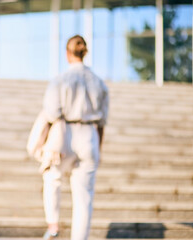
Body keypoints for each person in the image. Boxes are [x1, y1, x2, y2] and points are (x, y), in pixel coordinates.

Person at [41, 35, 109, 240]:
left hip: (65, 132)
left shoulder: (60, 80)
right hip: (90, 135)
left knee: (52, 176)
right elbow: (103, 121)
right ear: (85, 53)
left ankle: (53, 225)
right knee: (84, 196)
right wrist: (99, 147)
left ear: (67, 53)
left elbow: (51, 113)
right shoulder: (98, 82)